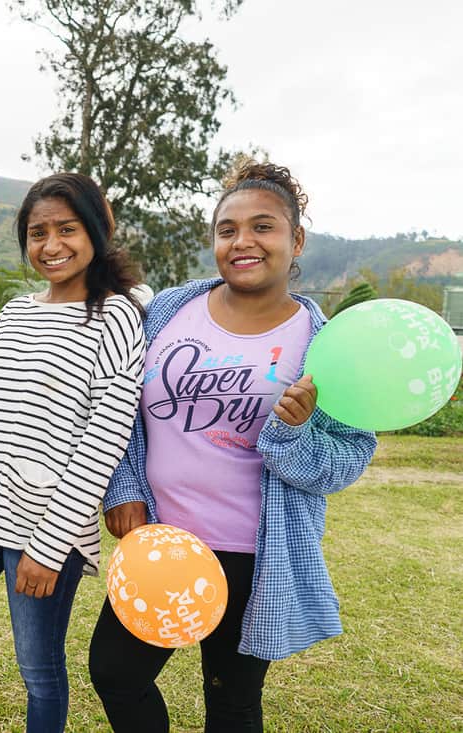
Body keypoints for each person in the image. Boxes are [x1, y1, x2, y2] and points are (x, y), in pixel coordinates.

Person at [88, 161, 378, 732]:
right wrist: (123, 488)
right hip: (162, 546)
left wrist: (291, 437)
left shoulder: (325, 347)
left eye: (263, 227)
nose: (243, 241)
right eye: (227, 229)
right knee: (116, 674)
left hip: (255, 558)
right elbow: (118, 407)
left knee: (232, 701)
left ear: (296, 240)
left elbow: (347, 459)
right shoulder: (169, 312)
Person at [0, 173, 146, 733]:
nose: (52, 245)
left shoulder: (115, 317)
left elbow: (102, 443)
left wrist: (50, 546)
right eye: (38, 233)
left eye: (67, 229)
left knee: (37, 669)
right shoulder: (14, 313)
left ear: (97, 232)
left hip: (47, 530)